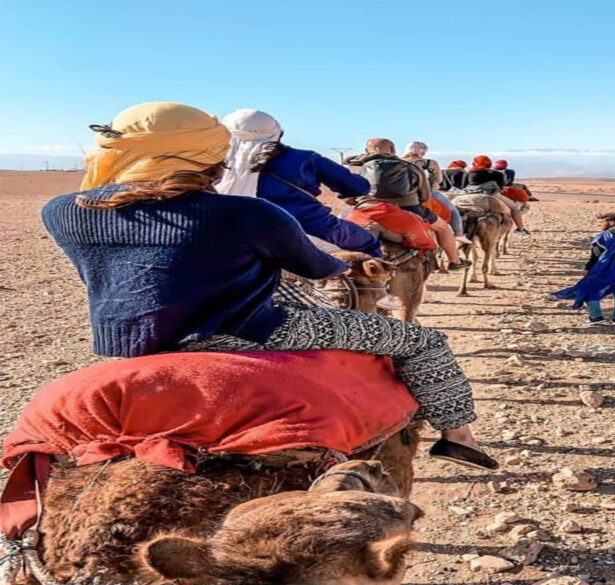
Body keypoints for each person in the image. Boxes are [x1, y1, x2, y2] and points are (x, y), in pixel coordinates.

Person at [43, 102, 496, 470]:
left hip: (130, 346)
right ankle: (458, 437)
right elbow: (317, 267)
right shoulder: (247, 214)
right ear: (209, 155)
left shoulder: (61, 211)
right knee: (419, 340)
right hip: (253, 332)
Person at [216, 108, 381, 258]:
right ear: (277, 133)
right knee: (369, 243)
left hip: (234, 233)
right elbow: (358, 187)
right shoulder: (304, 158)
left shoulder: (212, 164)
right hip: (312, 230)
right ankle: (376, 289)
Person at [347, 138, 470, 270]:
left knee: (342, 231)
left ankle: (337, 267)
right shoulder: (410, 166)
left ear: (366, 150)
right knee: (443, 228)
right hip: (408, 209)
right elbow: (425, 195)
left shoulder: (356, 167)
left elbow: (348, 196)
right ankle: (455, 261)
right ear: (393, 150)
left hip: (367, 209)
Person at [552, 212, 615, 325]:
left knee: (589, 290)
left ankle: (595, 316)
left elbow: (595, 255)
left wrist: (588, 269)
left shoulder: (603, 237)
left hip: (604, 269)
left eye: (601, 222)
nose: (599, 225)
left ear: (611, 222)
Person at [402, 141, 468, 242]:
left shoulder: (398, 162)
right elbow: (439, 180)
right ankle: (458, 233)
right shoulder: (431, 163)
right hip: (429, 192)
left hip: (403, 194)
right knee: (453, 211)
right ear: (422, 151)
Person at [465, 155, 528, 234]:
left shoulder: (470, 173)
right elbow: (501, 187)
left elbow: (463, 185)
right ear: (489, 164)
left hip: (469, 196)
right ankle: (520, 229)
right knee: (514, 208)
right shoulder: (496, 174)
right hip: (491, 195)